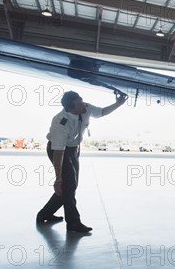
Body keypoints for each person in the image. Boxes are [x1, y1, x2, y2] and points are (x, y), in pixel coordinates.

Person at [36, 90, 127, 233]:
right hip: (58, 150)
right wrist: (58, 179)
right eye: (79, 104)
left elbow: (102, 112)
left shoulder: (86, 108)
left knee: (71, 186)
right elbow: (58, 152)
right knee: (68, 185)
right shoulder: (60, 122)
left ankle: (44, 214)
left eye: (82, 101)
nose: (83, 105)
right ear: (70, 108)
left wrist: (118, 104)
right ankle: (73, 223)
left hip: (73, 150)